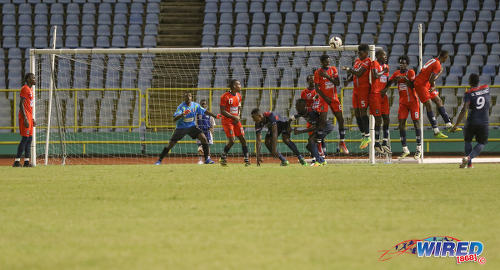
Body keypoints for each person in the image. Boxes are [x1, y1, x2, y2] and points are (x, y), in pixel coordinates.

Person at [155, 92, 217, 165]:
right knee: (171, 144)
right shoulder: (181, 107)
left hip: (191, 127)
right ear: (184, 98)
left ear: (191, 98)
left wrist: (215, 116)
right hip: (181, 128)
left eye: (189, 96)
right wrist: (183, 114)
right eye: (186, 97)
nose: (188, 98)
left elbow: (204, 111)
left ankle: (207, 159)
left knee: (203, 138)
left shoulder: (195, 105)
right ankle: (159, 160)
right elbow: (174, 118)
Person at [414, 50, 460, 138]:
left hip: (426, 83)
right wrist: (438, 75)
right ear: (445, 58)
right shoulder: (438, 65)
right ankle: (436, 131)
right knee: (429, 104)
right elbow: (432, 79)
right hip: (421, 84)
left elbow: (430, 77)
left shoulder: (434, 60)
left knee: (438, 100)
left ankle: (448, 125)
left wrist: (432, 85)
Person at [384, 56, 422, 160]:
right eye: (400, 63)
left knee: (416, 122)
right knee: (401, 124)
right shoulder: (396, 73)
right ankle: (405, 149)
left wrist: (405, 79)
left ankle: (419, 148)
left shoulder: (410, 72)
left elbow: (413, 85)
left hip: (413, 102)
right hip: (403, 103)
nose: (402, 65)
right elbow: (389, 82)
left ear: (407, 64)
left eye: (404, 63)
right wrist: (393, 81)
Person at [451, 74, 490, 168]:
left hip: (471, 122)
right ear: (478, 81)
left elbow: (464, 109)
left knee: (468, 141)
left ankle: (469, 164)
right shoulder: (486, 89)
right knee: (481, 143)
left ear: (469, 81)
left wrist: (456, 125)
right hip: (483, 122)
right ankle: (469, 158)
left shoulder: (468, 93)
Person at [314, 54, 349, 154]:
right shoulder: (317, 72)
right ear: (321, 62)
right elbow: (317, 88)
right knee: (322, 121)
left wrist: (327, 76)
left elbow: (337, 83)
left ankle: (342, 142)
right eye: (325, 61)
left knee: (341, 119)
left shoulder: (333, 69)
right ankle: (319, 145)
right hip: (323, 98)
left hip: (333, 98)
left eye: (328, 61)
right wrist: (325, 98)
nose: (328, 62)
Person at [343, 44, 371, 149]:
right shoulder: (357, 61)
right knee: (356, 113)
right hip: (356, 90)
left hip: (364, 90)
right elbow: (354, 75)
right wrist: (348, 80)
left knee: (363, 112)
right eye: (358, 52)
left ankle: (368, 135)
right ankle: (364, 135)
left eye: (361, 52)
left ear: (366, 53)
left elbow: (359, 73)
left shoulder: (368, 61)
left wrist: (349, 69)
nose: (359, 54)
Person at [292, 99, 333, 167]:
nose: (297, 109)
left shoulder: (311, 113)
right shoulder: (301, 112)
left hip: (326, 126)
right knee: (308, 146)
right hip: (320, 127)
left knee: (311, 140)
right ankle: (322, 160)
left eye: (298, 107)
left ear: (304, 106)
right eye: (296, 107)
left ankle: (318, 161)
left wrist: (300, 131)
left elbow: (315, 127)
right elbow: (293, 117)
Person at [219, 79, 250, 166]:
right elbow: (222, 111)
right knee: (232, 140)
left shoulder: (239, 96)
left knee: (243, 139)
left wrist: (238, 115)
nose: (240, 86)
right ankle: (223, 156)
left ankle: (247, 159)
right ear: (233, 86)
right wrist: (234, 117)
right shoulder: (225, 96)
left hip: (236, 120)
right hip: (227, 121)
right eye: (238, 84)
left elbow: (239, 107)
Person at [370, 50, 391, 154]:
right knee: (378, 120)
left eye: (386, 55)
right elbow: (375, 76)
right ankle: (376, 143)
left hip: (383, 95)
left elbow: (386, 81)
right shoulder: (374, 63)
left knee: (387, 118)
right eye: (383, 55)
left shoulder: (387, 66)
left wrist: (386, 89)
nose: (385, 57)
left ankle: (385, 142)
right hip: (375, 94)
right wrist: (384, 71)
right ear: (378, 56)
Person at [13, 73, 36, 167]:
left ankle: (26, 162)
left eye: (34, 77)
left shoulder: (30, 89)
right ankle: (17, 162)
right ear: (27, 79)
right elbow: (21, 104)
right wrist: (26, 118)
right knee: (25, 138)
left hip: (29, 117)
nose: (34, 79)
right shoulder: (25, 88)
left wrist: (32, 118)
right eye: (32, 77)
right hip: (25, 117)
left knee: (29, 139)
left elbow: (29, 105)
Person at [196, 99, 216, 164]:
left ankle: (208, 159)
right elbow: (195, 123)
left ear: (206, 105)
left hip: (207, 132)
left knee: (208, 146)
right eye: (202, 104)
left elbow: (212, 124)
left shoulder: (209, 114)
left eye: (204, 104)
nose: (203, 105)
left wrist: (212, 132)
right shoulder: (197, 114)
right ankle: (200, 160)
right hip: (200, 132)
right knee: (200, 146)